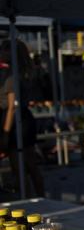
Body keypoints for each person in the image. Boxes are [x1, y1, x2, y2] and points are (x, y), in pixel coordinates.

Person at [0, 39, 45, 196]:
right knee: (30, 165)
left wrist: (5, 133)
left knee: (19, 167)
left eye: (2, 50)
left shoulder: (13, 77)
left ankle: (30, 202)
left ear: (10, 53)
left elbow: (12, 106)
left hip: (15, 120)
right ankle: (41, 198)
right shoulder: (24, 73)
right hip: (25, 118)